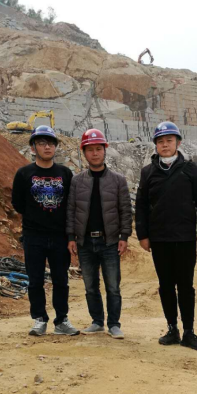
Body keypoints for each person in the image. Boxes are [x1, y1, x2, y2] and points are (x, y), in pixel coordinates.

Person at [135, 121, 197, 351]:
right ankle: (172, 329)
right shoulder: (148, 172)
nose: (165, 145)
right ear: (156, 145)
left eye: (169, 140)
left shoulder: (190, 169)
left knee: (186, 286)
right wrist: (143, 235)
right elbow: (141, 206)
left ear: (177, 143)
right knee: (166, 286)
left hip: (185, 238)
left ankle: (189, 332)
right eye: (160, 141)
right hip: (159, 239)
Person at [11, 125, 79, 337]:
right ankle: (39, 319)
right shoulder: (24, 174)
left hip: (59, 237)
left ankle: (62, 320)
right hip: (33, 236)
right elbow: (18, 203)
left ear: (55, 147)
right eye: (41, 143)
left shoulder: (65, 173)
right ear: (33, 148)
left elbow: (71, 205)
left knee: (61, 280)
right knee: (35, 280)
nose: (47, 147)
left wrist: (70, 236)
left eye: (50, 143)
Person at [66, 128, 132, 339]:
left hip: (109, 241)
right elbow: (71, 210)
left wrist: (124, 237)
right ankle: (97, 322)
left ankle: (114, 324)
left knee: (113, 286)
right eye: (90, 149)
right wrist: (71, 237)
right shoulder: (77, 181)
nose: (94, 153)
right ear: (84, 152)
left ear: (105, 150)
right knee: (90, 286)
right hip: (85, 243)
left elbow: (125, 210)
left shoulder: (118, 180)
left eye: (98, 149)